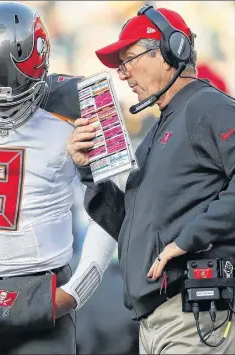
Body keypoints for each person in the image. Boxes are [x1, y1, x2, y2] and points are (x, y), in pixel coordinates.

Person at [0, 3, 119, 354]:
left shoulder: (87, 101)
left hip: (45, 291)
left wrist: (74, 295)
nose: (1, 109)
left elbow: (112, 209)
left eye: (14, 96)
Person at [67, 5, 235, 354]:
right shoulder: (157, 132)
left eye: (129, 59)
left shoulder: (207, 105)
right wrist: (90, 172)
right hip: (155, 322)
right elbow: (127, 228)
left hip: (194, 314)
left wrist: (188, 239)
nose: (123, 74)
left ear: (172, 51)